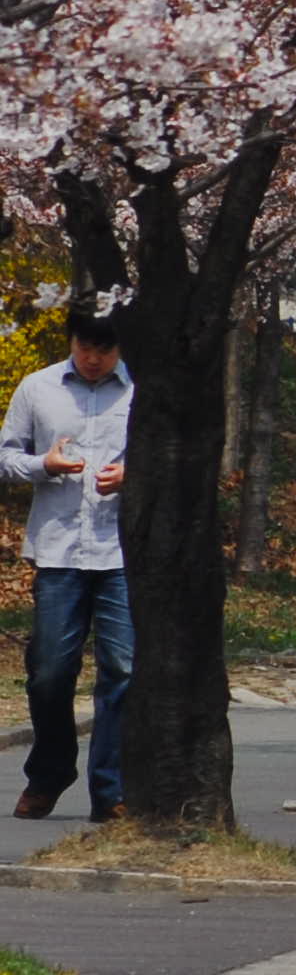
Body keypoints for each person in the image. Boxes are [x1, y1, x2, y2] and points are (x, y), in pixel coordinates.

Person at [0, 302, 132, 822]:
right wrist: (43, 465)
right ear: (71, 341)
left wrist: (132, 475)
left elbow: (172, 454)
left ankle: (111, 789)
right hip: (58, 551)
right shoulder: (39, 388)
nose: (93, 359)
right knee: (50, 672)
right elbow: (4, 455)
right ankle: (51, 770)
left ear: (121, 348)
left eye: (103, 349)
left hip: (121, 551)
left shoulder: (142, 391)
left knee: (123, 669)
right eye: (84, 347)